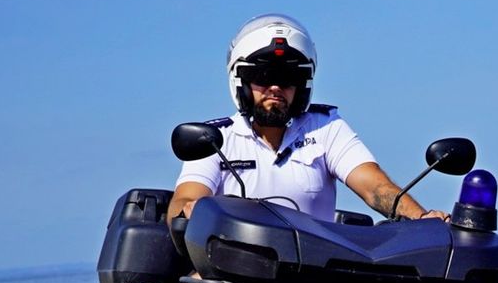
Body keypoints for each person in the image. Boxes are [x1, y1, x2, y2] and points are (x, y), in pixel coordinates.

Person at [167, 13, 448, 226]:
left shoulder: (327, 128)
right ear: (241, 81)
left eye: (288, 78)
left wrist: (422, 218)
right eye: (263, 77)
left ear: (302, 86)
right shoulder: (214, 139)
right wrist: (191, 209)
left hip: (312, 282)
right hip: (230, 277)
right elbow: (184, 199)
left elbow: (376, 188)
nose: (275, 88)